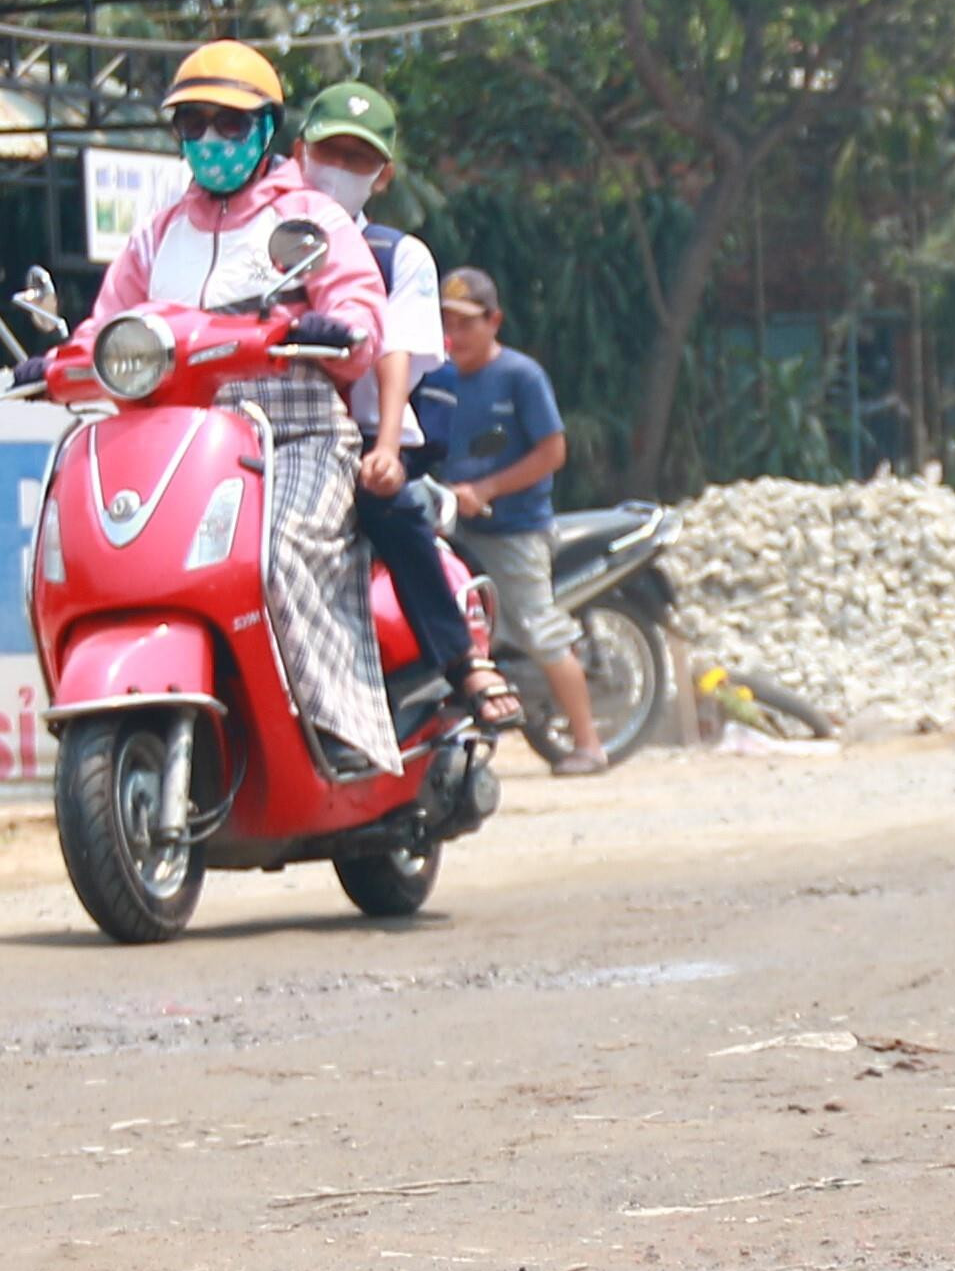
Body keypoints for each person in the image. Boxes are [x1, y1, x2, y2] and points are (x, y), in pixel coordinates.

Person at [87, 44, 504, 726]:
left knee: (279, 551)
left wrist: (341, 339)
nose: (210, 140)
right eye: (193, 124)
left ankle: (338, 715)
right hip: (187, 441)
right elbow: (110, 319)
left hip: (302, 431)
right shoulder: (161, 230)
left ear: (266, 130)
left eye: (229, 124)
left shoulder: (316, 226)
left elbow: (373, 328)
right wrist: (63, 356)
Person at [285, 79, 508, 721]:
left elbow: (395, 352)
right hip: (257, 433)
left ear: (382, 177)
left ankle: (461, 660)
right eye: (331, 153)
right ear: (300, 152)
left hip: (355, 436)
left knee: (392, 506)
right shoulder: (256, 239)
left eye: (359, 160)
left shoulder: (396, 255)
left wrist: (383, 448)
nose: (340, 171)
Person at [411, 269, 594, 769]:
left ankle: (588, 744)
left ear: (495, 321)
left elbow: (553, 451)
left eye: (467, 323)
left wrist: (487, 489)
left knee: (539, 629)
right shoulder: (435, 378)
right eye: (445, 322)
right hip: (454, 527)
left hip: (514, 529)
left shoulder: (520, 376)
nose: (455, 335)